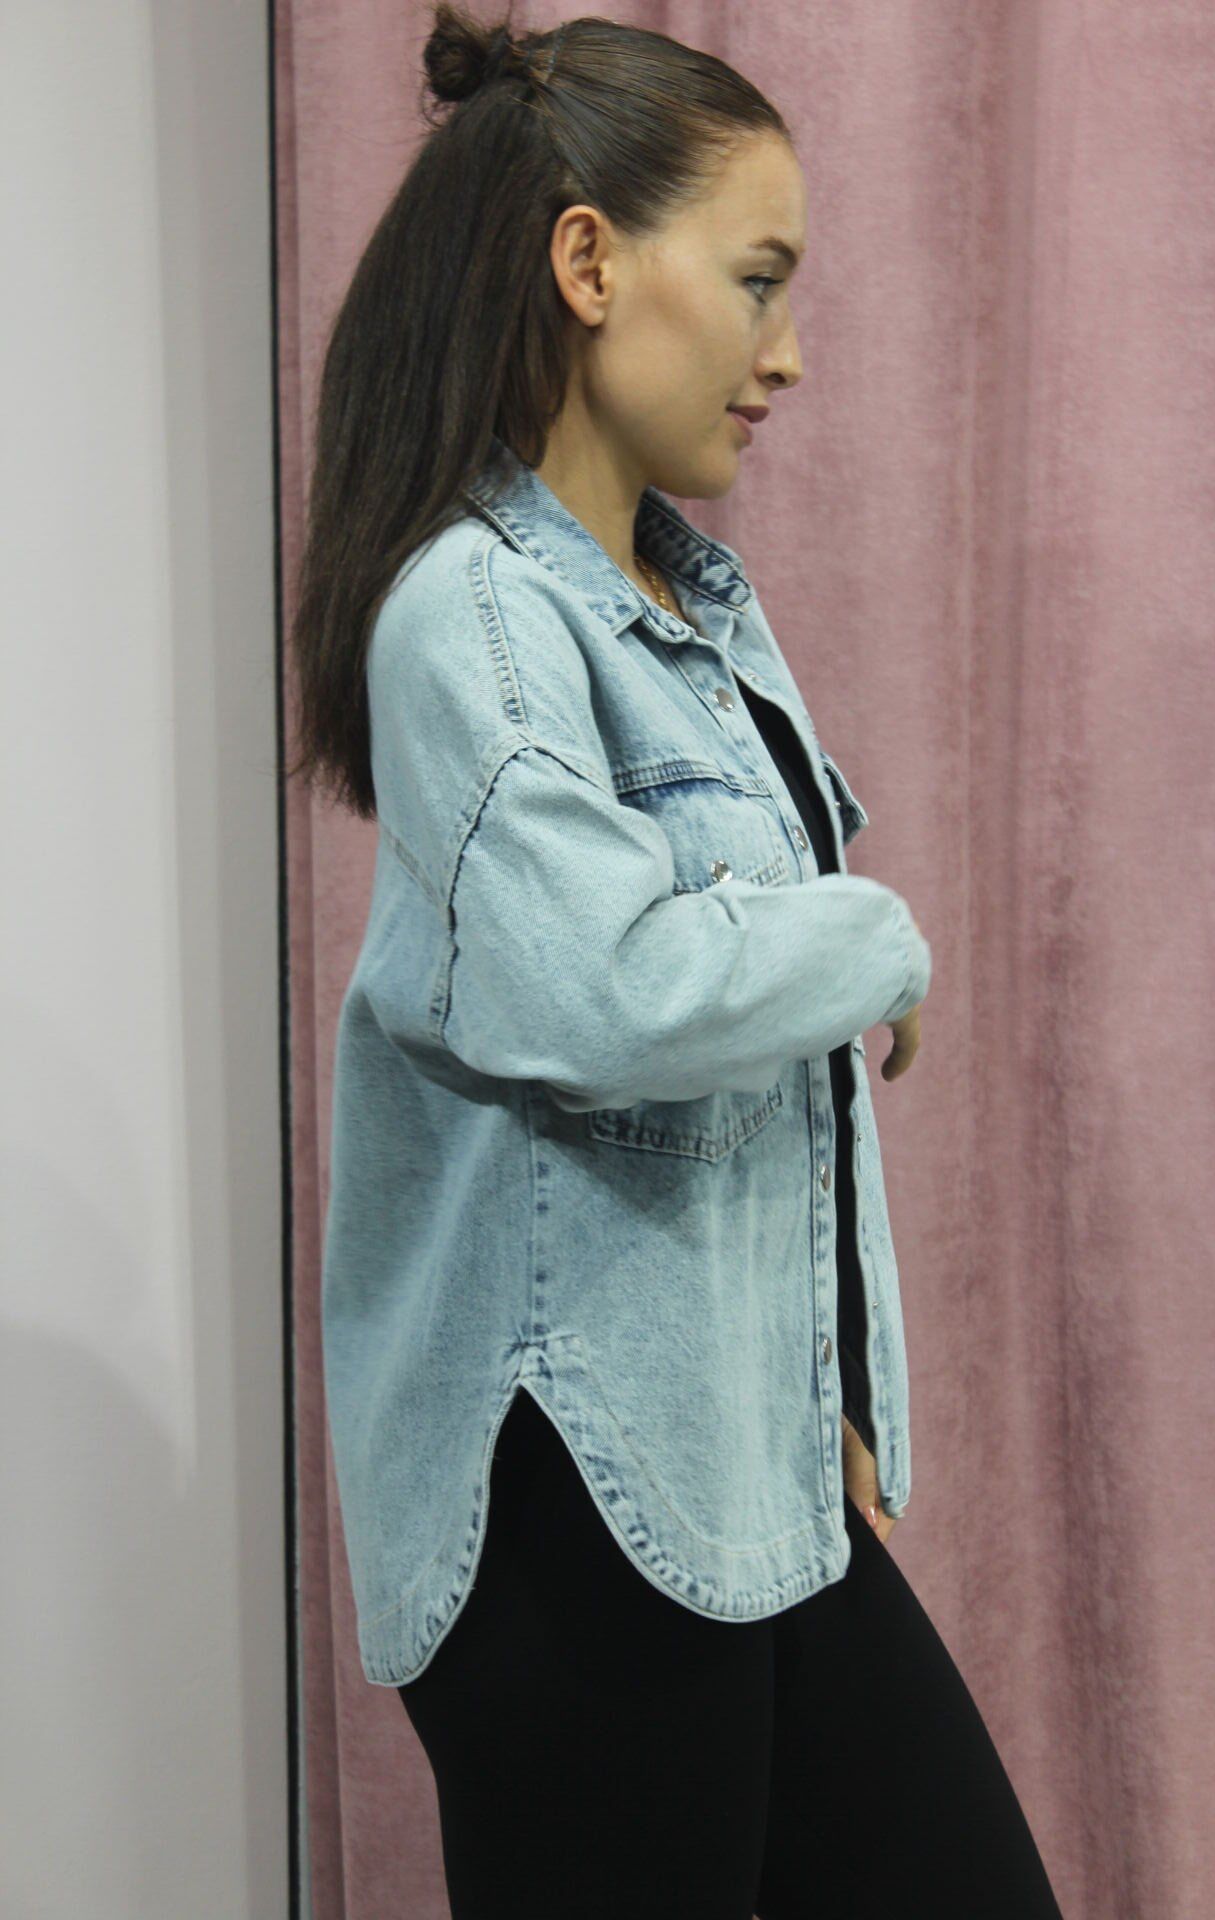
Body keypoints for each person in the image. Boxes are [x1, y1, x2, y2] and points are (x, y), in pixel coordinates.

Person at [289, 6, 1064, 1915]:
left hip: (743, 1473)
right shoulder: (472, 614)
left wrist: (833, 1394)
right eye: (757, 280)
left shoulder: (689, 609)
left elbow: (759, 1084)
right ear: (588, 261)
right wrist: (876, 938)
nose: (785, 353)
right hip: (573, 1510)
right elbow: (611, 991)